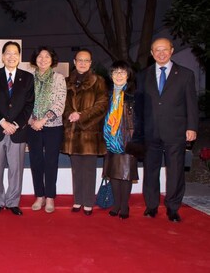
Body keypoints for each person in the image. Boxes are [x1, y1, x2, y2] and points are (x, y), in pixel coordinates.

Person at [136, 38, 198, 222]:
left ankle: (173, 208)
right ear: (152, 53)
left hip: (176, 130)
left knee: (176, 170)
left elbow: (191, 103)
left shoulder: (186, 74)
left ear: (171, 51)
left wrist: (192, 127)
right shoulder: (143, 75)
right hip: (150, 131)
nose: (161, 53)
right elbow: (140, 105)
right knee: (150, 170)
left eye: (164, 49)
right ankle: (151, 206)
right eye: (157, 50)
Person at [0, 41, 34, 216]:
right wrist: (2, 122)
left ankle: (13, 202)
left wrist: (15, 124)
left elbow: (29, 105)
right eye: (8, 53)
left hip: (18, 131)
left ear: (19, 57)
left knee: (16, 169)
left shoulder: (27, 78)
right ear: (3, 56)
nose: (11, 56)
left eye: (15, 53)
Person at [62, 49, 108, 216]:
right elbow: (63, 104)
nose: (82, 63)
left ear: (90, 63)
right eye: (79, 60)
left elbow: (102, 105)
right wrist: (69, 115)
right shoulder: (66, 82)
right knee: (76, 169)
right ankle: (77, 200)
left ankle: (88, 202)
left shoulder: (99, 81)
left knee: (89, 169)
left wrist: (81, 115)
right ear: (74, 61)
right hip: (72, 132)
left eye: (86, 60)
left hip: (90, 132)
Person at [27, 46, 66, 214]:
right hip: (32, 125)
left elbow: (60, 102)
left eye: (47, 56)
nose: (43, 59)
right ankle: (39, 196)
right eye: (40, 56)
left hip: (53, 126)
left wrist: (43, 119)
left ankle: (50, 197)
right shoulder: (29, 79)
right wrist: (32, 120)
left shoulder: (59, 78)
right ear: (35, 60)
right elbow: (25, 102)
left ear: (52, 60)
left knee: (51, 162)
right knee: (36, 162)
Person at [103, 60, 141, 220]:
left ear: (128, 75)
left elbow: (140, 119)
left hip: (128, 139)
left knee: (126, 173)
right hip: (109, 139)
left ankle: (124, 205)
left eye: (122, 72)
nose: (119, 75)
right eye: (115, 72)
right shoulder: (106, 96)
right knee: (113, 173)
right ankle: (116, 204)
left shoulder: (134, 96)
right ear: (111, 76)